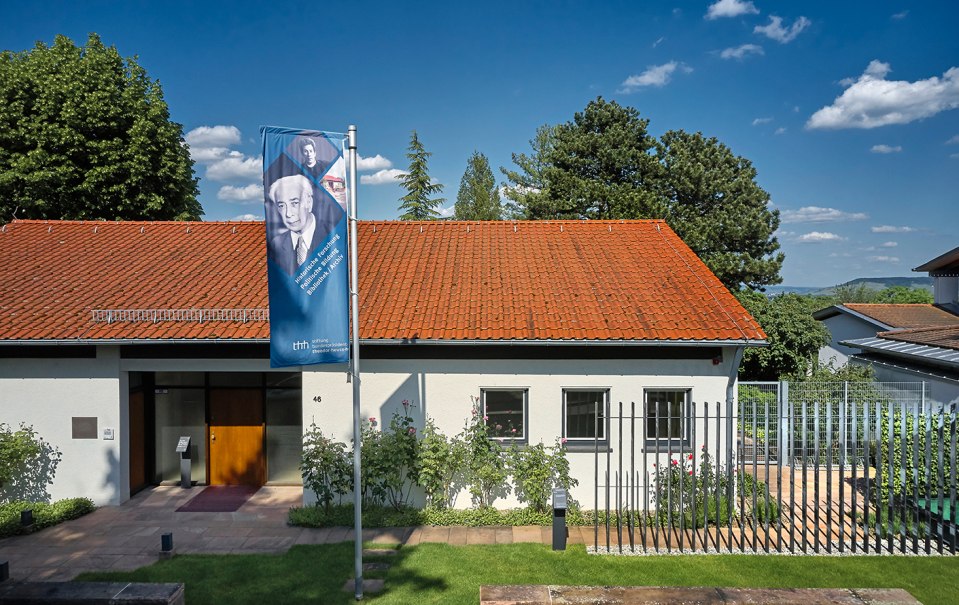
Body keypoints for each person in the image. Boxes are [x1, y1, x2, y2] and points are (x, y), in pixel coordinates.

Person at [267, 174, 319, 276]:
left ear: (309, 202)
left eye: (294, 203)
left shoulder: (332, 235)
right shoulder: (275, 245)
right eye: (281, 206)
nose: (288, 214)